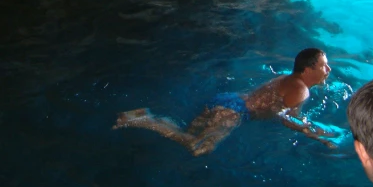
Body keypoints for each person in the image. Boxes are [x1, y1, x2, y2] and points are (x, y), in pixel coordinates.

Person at [113, 48, 338, 156]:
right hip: (234, 112)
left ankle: (151, 118)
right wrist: (318, 137)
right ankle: (147, 119)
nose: (328, 70)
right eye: (324, 66)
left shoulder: (285, 78)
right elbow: (288, 119)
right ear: (308, 70)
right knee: (198, 147)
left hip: (228, 99)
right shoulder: (301, 91)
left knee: (189, 133)